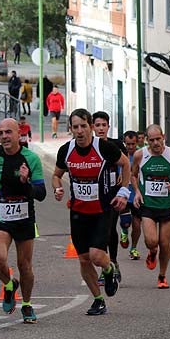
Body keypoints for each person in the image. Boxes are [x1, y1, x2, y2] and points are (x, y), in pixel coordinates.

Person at [51, 109, 131, 316]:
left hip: (101, 210)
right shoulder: (66, 150)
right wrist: (57, 187)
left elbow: (125, 163)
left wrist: (123, 191)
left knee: (96, 255)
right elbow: (56, 175)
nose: (80, 131)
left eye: (83, 126)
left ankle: (109, 269)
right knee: (84, 259)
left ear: (91, 127)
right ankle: (98, 299)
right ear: (70, 129)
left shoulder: (104, 147)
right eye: (75, 127)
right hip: (78, 212)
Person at [0, 119, 47, 323]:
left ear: (19, 134)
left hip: (24, 217)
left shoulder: (31, 158)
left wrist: (26, 183)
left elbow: (41, 193)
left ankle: (27, 305)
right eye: (0, 133)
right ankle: (9, 284)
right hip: (0, 214)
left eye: (8, 132)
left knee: (24, 265)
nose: (4, 136)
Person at [130, 124, 170, 288]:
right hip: (148, 205)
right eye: (152, 140)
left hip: (167, 205)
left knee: (164, 243)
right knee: (152, 241)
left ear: (163, 137)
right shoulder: (139, 155)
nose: (156, 143)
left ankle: (162, 276)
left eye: (158, 139)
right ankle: (152, 252)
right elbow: (133, 175)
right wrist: (136, 191)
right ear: (146, 141)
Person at [92, 111, 126, 285]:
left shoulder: (116, 144)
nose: (101, 128)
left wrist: (121, 174)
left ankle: (112, 262)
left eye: (103, 125)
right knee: (99, 231)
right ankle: (106, 266)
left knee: (110, 228)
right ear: (93, 127)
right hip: (96, 194)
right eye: (97, 125)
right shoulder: (90, 146)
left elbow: (125, 162)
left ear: (108, 126)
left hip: (113, 193)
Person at [119, 130, 144, 260]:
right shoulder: (120, 155)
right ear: (124, 143)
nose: (130, 147)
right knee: (126, 222)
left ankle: (133, 248)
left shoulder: (141, 156)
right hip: (124, 194)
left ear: (137, 142)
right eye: (128, 144)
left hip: (137, 195)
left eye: (133, 144)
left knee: (137, 225)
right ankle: (124, 231)